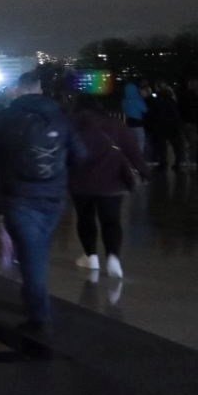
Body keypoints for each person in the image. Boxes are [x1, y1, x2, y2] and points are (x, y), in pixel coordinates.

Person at [0, 70, 88, 336]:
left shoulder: (3, 119)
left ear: (19, 90)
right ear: (40, 89)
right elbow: (81, 155)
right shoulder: (61, 118)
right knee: (37, 250)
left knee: (31, 256)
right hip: (54, 197)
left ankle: (39, 315)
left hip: (19, 196)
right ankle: (33, 301)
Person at [69, 95, 148, 279]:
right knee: (111, 220)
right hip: (112, 182)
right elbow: (132, 150)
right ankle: (113, 257)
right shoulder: (114, 124)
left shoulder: (71, 124)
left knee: (85, 218)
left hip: (80, 182)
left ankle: (91, 256)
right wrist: (144, 172)